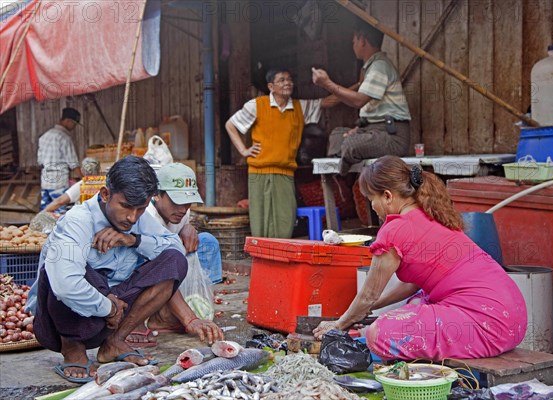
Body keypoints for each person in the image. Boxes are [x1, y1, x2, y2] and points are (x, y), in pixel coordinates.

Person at [25, 156, 223, 383]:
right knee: (64, 266)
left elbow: (174, 247)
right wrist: (108, 307)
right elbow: (65, 286)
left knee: (173, 261)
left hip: (111, 318)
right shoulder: (77, 221)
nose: (132, 216)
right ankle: (72, 348)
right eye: (126, 206)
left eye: (140, 209)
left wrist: (132, 240)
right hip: (63, 320)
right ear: (106, 194)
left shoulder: (137, 220)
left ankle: (115, 341)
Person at [313, 156, 527, 361]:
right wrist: (368, 309)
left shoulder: (394, 230)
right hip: (514, 318)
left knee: (377, 334)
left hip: (488, 325)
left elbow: (368, 294)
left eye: (372, 199)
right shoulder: (433, 215)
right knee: (418, 301)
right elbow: (412, 285)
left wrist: (338, 325)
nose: (373, 206)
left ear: (387, 196)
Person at [225, 67, 337, 238]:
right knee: (259, 222)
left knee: (285, 219)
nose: (288, 83)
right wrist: (243, 150)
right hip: (258, 172)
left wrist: (359, 87)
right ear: (271, 86)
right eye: (282, 80)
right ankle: (262, 260)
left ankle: (280, 260)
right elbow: (230, 125)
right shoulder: (257, 105)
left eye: (289, 79)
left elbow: (328, 102)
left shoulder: (300, 107)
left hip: (285, 173)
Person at [136, 162, 222, 344]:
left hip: (173, 264)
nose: (182, 210)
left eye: (187, 203)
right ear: (157, 195)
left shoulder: (182, 211)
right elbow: (161, 268)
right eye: (176, 202)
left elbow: (181, 231)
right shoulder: (145, 218)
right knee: (169, 259)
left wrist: (188, 227)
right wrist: (189, 319)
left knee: (207, 242)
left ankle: (200, 300)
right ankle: (159, 317)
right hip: (144, 278)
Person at [312, 20, 412, 176]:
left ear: (363, 40)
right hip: (373, 132)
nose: (353, 46)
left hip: (392, 137)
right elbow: (371, 112)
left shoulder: (379, 66)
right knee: (337, 135)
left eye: (354, 41)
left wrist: (327, 84)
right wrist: (359, 129)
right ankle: (346, 167)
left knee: (352, 144)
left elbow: (359, 100)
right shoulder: (370, 67)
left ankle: (344, 177)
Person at [37, 107, 83, 210]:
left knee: (46, 213)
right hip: (59, 182)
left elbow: (40, 161)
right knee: (59, 213)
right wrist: (84, 179)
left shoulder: (44, 137)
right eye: (74, 124)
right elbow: (73, 164)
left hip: (45, 181)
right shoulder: (64, 138)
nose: (74, 127)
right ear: (67, 121)